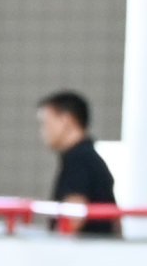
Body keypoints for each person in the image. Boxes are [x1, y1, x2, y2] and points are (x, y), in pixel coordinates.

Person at [38, 88, 118, 237]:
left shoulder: (79, 160)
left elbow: (73, 217)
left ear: (66, 120)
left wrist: (50, 252)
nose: (43, 132)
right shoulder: (88, 158)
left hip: (86, 255)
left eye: (46, 123)